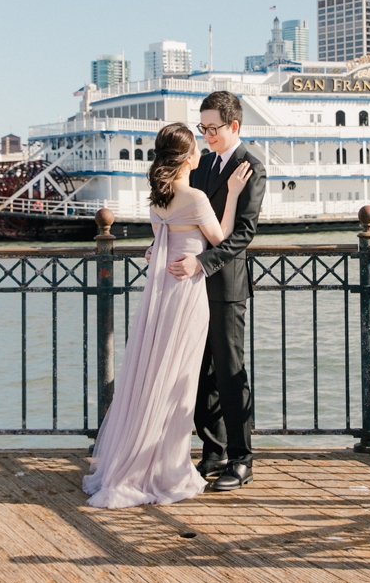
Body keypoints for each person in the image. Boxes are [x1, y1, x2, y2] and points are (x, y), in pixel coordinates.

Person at [82, 122, 252, 508]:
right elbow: (221, 238)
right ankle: (166, 467)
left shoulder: (157, 198)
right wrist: (234, 195)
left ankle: (141, 459)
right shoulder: (194, 197)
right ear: (188, 158)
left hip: (159, 295)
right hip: (187, 295)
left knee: (153, 372)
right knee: (179, 378)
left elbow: (159, 243)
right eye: (197, 147)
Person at [169, 91, 267, 492]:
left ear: (234, 126)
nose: (206, 135)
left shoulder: (253, 168)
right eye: (202, 128)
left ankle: (242, 460)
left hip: (225, 285)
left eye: (213, 128)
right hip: (192, 282)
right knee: (201, 370)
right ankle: (214, 450)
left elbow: (244, 232)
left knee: (229, 371)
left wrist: (203, 262)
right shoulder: (204, 163)